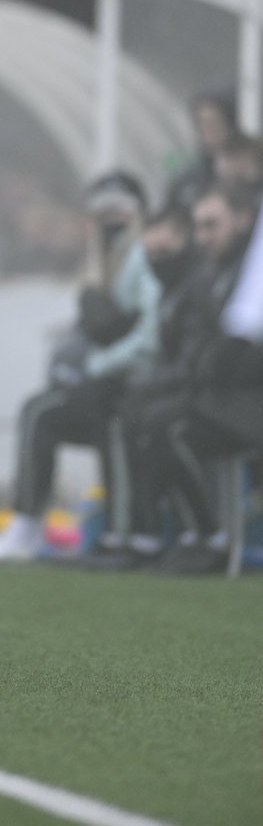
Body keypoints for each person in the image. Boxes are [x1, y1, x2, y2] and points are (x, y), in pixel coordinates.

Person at [0, 170, 161, 564]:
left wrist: (100, 364)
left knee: (56, 413)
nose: (111, 219)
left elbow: (150, 334)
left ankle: (120, 536)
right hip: (111, 380)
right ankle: (30, 527)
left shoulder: (141, 257)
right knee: (42, 410)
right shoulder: (104, 262)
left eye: (120, 209)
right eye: (102, 210)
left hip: (131, 383)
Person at [125, 182, 261, 574]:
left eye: (211, 225)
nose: (203, 237)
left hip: (249, 402)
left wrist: (213, 363)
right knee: (147, 417)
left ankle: (210, 537)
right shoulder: (211, 275)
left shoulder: (248, 276)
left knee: (168, 426)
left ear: (243, 219)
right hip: (221, 397)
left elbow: (235, 352)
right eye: (199, 227)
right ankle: (189, 535)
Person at [81, 201, 201, 570]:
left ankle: (141, 534)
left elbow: (152, 342)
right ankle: (132, 534)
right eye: (152, 252)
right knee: (117, 410)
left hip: (175, 384)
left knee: (131, 415)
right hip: (161, 379)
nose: (157, 259)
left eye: (164, 250)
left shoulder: (190, 284)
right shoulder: (156, 275)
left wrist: (99, 363)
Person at [166, 88, 240, 211]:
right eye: (201, 124)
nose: (207, 132)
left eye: (213, 123)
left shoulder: (244, 175)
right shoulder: (188, 182)